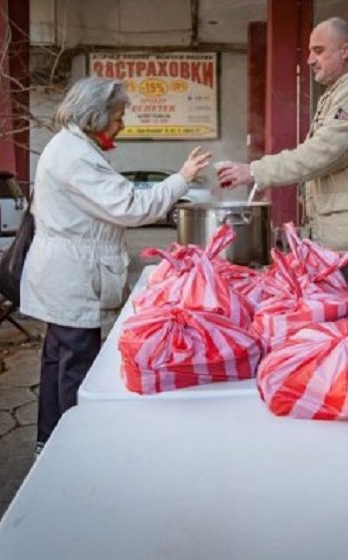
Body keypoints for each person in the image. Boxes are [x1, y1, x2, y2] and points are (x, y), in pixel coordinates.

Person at [21, 77, 211, 453]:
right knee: (76, 363)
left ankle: (50, 440)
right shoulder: (75, 155)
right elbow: (131, 207)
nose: (122, 124)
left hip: (62, 271)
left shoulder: (72, 147)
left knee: (57, 358)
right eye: (119, 115)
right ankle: (78, 448)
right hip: (71, 274)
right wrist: (181, 179)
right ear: (96, 115)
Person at [215, 17, 348, 319]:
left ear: (345, 51)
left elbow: (323, 153)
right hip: (343, 236)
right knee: (344, 328)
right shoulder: (341, 91)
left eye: (318, 51)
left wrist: (255, 171)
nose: (310, 60)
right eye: (309, 52)